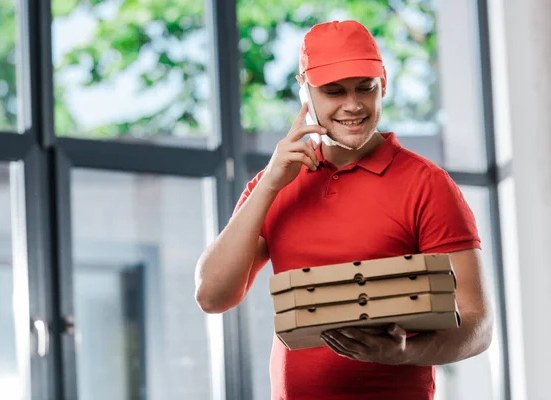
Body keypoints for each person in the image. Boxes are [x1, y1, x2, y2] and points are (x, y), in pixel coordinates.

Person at [194, 19, 493, 400]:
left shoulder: (427, 183)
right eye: (333, 92)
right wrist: (270, 183)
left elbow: (477, 325)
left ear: (383, 84)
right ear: (305, 93)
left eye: (365, 88)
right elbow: (212, 295)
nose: (353, 105)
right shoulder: (276, 182)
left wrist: (403, 354)